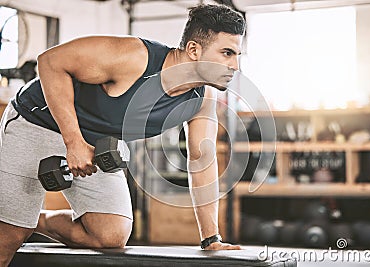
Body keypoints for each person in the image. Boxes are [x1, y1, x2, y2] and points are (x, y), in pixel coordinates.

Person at [0, 3, 245, 266]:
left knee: (109, 234)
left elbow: (200, 160)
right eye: (227, 53)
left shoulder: (201, 99)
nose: (235, 65)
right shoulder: (133, 57)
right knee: (8, 238)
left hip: (95, 142)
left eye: (237, 54)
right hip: (36, 120)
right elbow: (50, 61)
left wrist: (210, 239)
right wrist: (73, 142)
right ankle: (17, 224)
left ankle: (30, 220)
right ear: (194, 49)